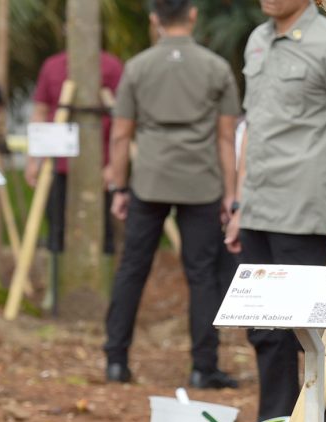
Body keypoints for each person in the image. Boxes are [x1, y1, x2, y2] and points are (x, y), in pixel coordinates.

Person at [223, 0, 326, 422]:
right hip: (259, 205)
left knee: (311, 334)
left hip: (305, 209)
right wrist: (240, 205)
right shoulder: (258, 40)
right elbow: (254, 127)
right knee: (265, 331)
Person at [103, 0, 240, 388]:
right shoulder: (216, 68)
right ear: (193, 15)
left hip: (150, 180)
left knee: (133, 267)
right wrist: (231, 195)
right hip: (201, 183)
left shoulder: (138, 67)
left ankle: (116, 359)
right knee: (202, 275)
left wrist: (119, 186)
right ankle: (203, 367)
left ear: (154, 20)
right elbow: (226, 137)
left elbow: (120, 134)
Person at [25, 43, 123, 310]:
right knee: (55, 225)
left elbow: (122, 117)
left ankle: (105, 291)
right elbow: (41, 111)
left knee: (104, 229)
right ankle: (55, 291)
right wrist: (34, 158)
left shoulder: (111, 66)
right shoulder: (53, 65)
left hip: (99, 167)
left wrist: (115, 164)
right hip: (58, 165)